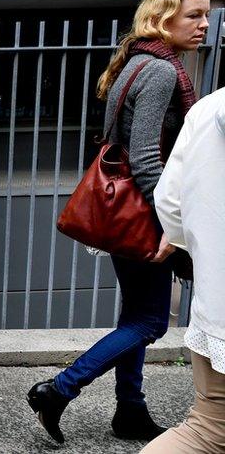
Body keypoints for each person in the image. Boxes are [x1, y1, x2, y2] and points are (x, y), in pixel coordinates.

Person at [27, 0, 211, 444]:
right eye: (194, 15)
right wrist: (174, 225)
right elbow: (146, 157)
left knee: (136, 314)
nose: (204, 24)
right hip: (145, 214)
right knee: (149, 322)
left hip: (123, 210)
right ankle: (58, 390)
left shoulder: (135, 62)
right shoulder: (162, 71)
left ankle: (130, 409)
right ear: (163, 15)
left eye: (206, 14)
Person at [144, 87, 225, 452]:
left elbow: (169, 197)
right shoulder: (159, 73)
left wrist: (189, 239)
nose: (204, 25)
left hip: (215, 308)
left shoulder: (208, 106)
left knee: (205, 432)